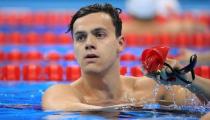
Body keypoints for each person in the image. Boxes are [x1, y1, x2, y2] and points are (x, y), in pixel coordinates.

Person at [42, 3, 210, 111]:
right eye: (80, 37)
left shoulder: (151, 90)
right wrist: (130, 107)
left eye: (99, 34)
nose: (88, 43)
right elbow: (63, 110)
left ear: (120, 43)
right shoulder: (60, 93)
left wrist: (188, 79)